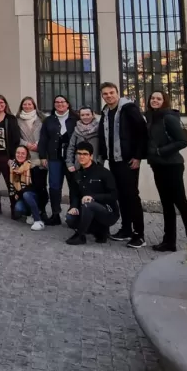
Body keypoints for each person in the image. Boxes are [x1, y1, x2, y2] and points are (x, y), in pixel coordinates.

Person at [145, 90, 187, 251]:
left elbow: (183, 141)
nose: (155, 100)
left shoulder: (168, 117)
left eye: (158, 98)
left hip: (172, 166)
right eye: (152, 98)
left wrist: (161, 151)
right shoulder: (151, 117)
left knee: (181, 203)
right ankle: (169, 242)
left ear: (164, 101)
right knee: (166, 204)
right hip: (158, 165)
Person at [100, 82, 149, 248]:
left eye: (111, 93)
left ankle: (139, 234)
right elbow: (103, 135)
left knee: (132, 196)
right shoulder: (106, 111)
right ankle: (126, 228)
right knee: (121, 195)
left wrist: (138, 157)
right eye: (105, 94)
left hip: (129, 160)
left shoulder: (129, 109)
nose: (109, 96)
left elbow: (142, 132)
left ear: (117, 93)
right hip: (114, 160)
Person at [65, 146, 120, 245]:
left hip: (108, 212)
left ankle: (80, 236)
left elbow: (114, 195)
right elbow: (75, 195)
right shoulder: (77, 174)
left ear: (91, 156)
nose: (81, 156)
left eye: (85, 154)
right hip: (86, 210)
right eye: (79, 154)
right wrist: (73, 207)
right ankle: (96, 229)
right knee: (70, 218)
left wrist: (93, 197)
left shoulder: (103, 172)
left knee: (88, 203)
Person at [36, 95, 77, 226]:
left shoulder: (75, 119)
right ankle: (55, 214)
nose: (59, 104)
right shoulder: (48, 120)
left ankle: (73, 215)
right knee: (54, 187)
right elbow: (43, 140)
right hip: (54, 158)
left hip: (72, 159)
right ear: (54, 105)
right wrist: (42, 156)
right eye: (57, 102)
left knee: (74, 186)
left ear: (67, 104)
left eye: (62, 102)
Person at [64, 106, 102, 223]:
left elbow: (102, 148)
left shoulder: (99, 129)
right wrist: (69, 163)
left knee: (94, 192)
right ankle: (76, 216)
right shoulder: (76, 130)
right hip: (78, 167)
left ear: (93, 115)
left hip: (94, 167)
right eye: (82, 115)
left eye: (88, 114)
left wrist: (99, 162)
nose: (85, 117)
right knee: (76, 191)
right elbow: (71, 148)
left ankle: (95, 220)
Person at [16, 97, 46, 219]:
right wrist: (26, 144)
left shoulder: (42, 119)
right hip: (24, 157)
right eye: (25, 104)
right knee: (25, 185)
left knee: (41, 186)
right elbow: (15, 136)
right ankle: (28, 210)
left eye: (30, 104)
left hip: (39, 157)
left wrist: (39, 144)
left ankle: (41, 210)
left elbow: (47, 135)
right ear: (21, 106)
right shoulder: (17, 120)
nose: (27, 106)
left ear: (34, 105)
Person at [8, 145, 44, 229]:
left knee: (26, 194)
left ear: (27, 155)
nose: (20, 155)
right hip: (22, 197)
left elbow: (36, 187)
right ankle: (29, 214)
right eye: (18, 153)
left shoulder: (32, 167)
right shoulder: (13, 168)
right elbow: (12, 186)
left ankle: (38, 221)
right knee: (18, 209)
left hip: (34, 197)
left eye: (23, 153)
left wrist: (20, 193)